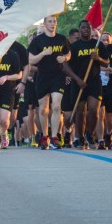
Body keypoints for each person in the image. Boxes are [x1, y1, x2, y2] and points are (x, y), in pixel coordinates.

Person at [28, 15, 72, 150]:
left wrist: (64, 57)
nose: (53, 24)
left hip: (58, 76)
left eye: (54, 22)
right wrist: (43, 54)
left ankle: (54, 137)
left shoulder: (62, 39)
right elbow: (31, 60)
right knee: (43, 109)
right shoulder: (37, 41)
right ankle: (44, 136)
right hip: (43, 76)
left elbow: (69, 54)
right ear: (45, 23)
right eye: (50, 22)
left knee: (57, 106)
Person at [66, 20, 108, 149]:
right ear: (80, 30)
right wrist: (77, 80)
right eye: (83, 27)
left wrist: (98, 59)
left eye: (88, 28)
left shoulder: (98, 44)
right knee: (80, 112)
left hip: (94, 81)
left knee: (94, 110)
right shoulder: (74, 46)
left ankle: (90, 134)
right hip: (78, 81)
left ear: (91, 29)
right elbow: (65, 66)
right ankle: (79, 137)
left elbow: (106, 63)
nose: (86, 30)